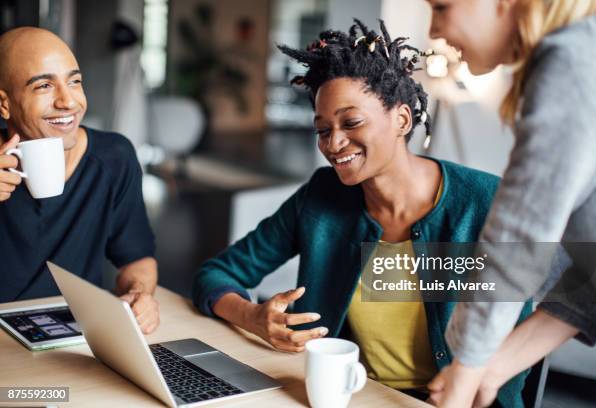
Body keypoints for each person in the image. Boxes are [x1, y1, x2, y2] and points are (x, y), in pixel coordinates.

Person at [193, 19, 531, 406]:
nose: (334, 143)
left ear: (402, 119)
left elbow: (515, 342)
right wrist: (252, 317)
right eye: (322, 130)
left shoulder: (484, 202)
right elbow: (214, 275)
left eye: (352, 122)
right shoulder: (322, 196)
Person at [423, 0, 596, 406]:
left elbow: (521, 233)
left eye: (441, 7)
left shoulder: (578, 57)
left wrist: (469, 363)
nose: (434, 31)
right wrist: (492, 365)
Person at [0, 27, 160, 334]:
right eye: (44, 86)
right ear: (4, 105)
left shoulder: (114, 157)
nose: (68, 102)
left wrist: (140, 296)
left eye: (74, 81)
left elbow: (137, 259)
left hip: (75, 338)